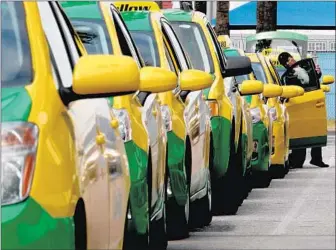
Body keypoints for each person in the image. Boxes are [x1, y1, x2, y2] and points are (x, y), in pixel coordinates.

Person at [278, 52, 329, 168]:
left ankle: (316, 158)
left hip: (310, 102)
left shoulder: (302, 69)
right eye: (289, 59)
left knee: (315, 129)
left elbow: (312, 81)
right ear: (286, 63)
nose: (292, 60)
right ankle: (297, 160)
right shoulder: (289, 76)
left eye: (291, 58)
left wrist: (317, 73)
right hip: (299, 106)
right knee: (300, 132)